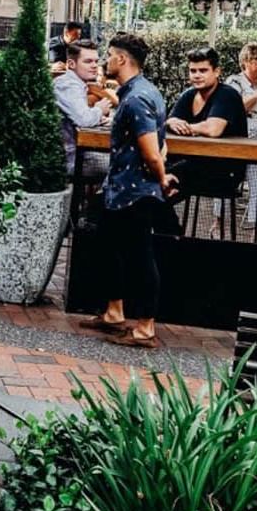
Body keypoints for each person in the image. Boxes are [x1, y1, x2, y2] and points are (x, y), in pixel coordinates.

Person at [81, 32, 179, 349]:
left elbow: (151, 151)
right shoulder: (141, 92)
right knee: (109, 246)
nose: (105, 60)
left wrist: (163, 179)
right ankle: (114, 312)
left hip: (136, 191)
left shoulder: (137, 98)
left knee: (139, 255)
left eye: (109, 55)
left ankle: (145, 328)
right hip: (121, 188)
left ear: (122, 59)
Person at [165, 46, 248, 201]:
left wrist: (185, 127)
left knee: (161, 181)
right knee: (153, 177)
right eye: (193, 71)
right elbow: (170, 119)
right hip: (192, 164)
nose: (197, 76)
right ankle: (167, 224)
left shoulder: (227, 94)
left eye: (203, 71)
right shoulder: (189, 94)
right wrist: (173, 122)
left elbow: (213, 129)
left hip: (223, 171)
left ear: (217, 72)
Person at [52, 40, 114, 178]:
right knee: (124, 164)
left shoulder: (75, 83)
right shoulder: (68, 85)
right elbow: (83, 119)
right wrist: (99, 109)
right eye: (88, 61)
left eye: (96, 61)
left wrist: (99, 118)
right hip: (69, 159)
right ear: (71, 64)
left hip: (74, 154)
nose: (94, 66)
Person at [225, 43, 257, 139]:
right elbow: (234, 109)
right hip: (242, 137)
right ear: (246, 61)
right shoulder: (234, 81)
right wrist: (256, 95)